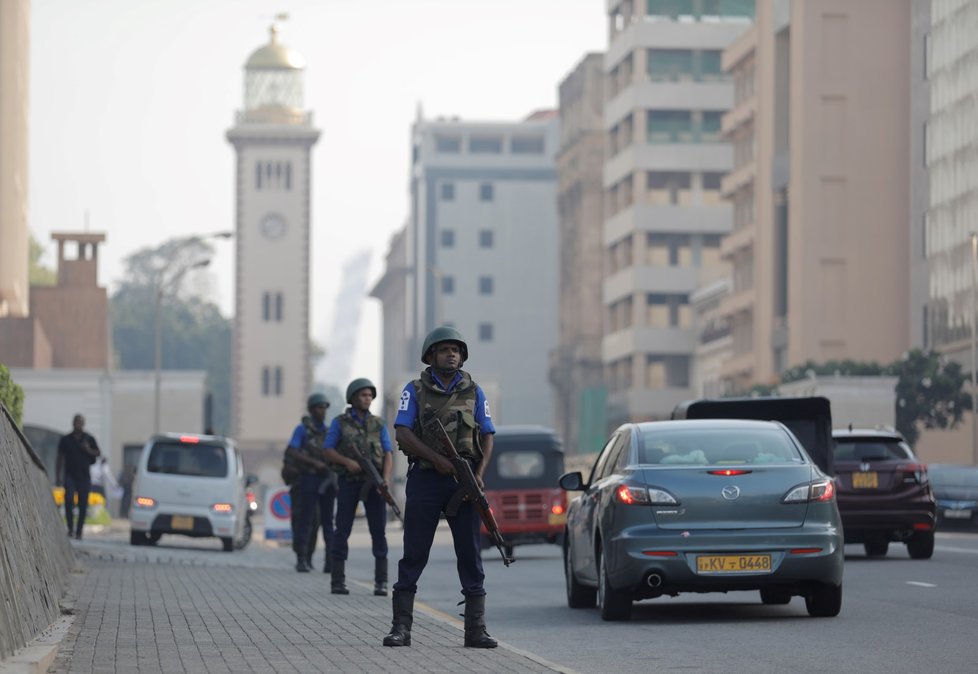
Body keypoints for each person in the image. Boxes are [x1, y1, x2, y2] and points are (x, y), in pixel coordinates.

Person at [383, 326, 498, 649]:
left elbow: (487, 434)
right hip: (427, 478)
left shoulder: (475, 392)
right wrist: (438, 460)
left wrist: (479, 474)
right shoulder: (415, 390)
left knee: (470, 553)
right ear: (431, 355)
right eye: (445, 349)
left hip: (465, 480)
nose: (452, 354)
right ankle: (400, 628)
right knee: (415, 552)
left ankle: (476, 630)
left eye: (457, 350)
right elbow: (403, 433)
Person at [322, 378, 393, 596]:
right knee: (342, 529)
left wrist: (386, 479)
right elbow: (328, 449)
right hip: (349, 482)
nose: (367, 399)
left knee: (378, 531)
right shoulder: (340, 422)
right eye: (363, 395)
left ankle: (381, 582)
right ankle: (337, 580)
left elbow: (388, 452)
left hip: (374, 483)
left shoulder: (378, 424)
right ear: (353, 398)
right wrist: (347, 462)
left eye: (370, 395)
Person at [285, 393, 337, 573]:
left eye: (324, 407)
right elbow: (293, 450)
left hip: (327, 480)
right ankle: (301, 558)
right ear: (311, 409)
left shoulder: (329, 431)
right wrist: (314, 463)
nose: (322, 411)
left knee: (328, 523)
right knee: (305, 520)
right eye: (318, 407)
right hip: (309, 478)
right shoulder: (302, 430)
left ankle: (330, 562)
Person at [56, 414, 101, 540]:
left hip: (84, 477)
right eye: (76, 422)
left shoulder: (89, 438)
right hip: (70, 475)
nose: (78, 424)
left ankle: (79, 531)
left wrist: (88, 450)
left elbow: (98, 452)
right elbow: (60, 457)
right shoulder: (66, 439)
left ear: (83, 424)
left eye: (80, 422)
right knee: (68, 500)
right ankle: (70, 528)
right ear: (73, 423)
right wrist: (58, 475)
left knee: (83, 505)